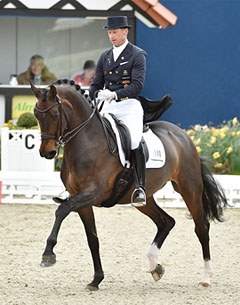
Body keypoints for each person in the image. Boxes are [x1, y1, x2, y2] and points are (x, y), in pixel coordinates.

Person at [89, 16, 147, 206]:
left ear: (125, 31)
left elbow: (137, 85)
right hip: (108, 106)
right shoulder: (104, 56)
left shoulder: (137, 54)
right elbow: (96, 83)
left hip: (128, 106)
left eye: (115, 32)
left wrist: (114, 95)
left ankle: (140, 187)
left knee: (134, 140)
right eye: (109, 32)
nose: (112, 36)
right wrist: (95, 93)